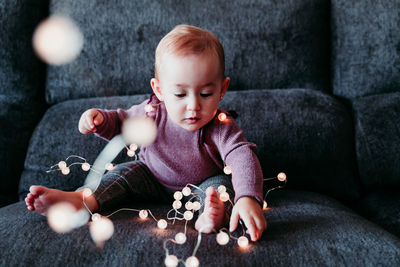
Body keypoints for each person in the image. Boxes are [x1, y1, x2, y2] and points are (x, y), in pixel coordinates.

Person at [25, 24, 266, 241]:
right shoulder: (152, 112)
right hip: (150, 178)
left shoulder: (220, 126)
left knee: (220, 188)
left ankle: (212, 216)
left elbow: (241, 156)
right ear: (159, 90)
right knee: (123, 173)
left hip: (201, 184)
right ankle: (82, 200)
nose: (193, 105)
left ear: (222, 89)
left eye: (205, 94)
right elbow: (122, 122)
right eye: (180, 94)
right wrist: (100, 120)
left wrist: (248, 197)